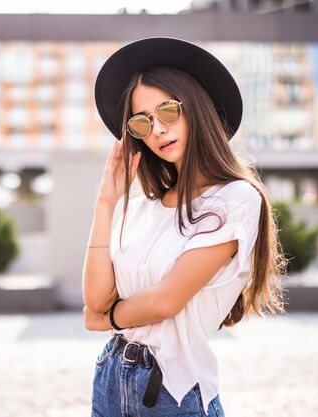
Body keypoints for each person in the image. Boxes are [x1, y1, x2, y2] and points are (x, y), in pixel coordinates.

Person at [82, 37, 286, 417]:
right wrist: (106, 202)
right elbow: (94, 299)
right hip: (110, 379)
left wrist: (107, 319)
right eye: (143, 121)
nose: (157, 129)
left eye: (168, 111)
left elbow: (166, 301)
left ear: (196, 108)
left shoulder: (236, 200)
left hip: (171, 391)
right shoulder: (141, 206)